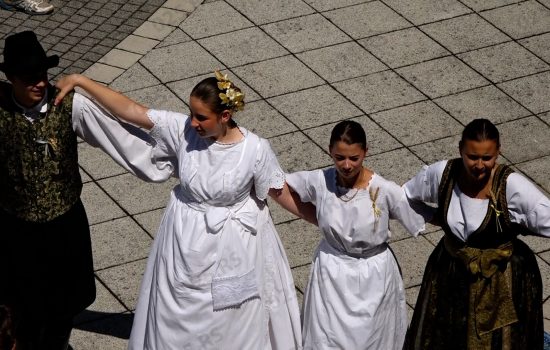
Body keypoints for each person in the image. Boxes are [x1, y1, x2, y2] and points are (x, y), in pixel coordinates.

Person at [54, 70, 317, 350]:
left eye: (201, 117)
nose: (193, 122)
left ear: (225, 116)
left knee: (228, 317)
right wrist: (81, 81)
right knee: (177, 308)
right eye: (191, 113)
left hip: (233, 246)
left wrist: (326, 221)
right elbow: (132, 111)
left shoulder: (255, 149)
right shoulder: (184, 131)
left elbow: (281, 193)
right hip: (184, 239)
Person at [403, 118, 550, 349]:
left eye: (486, 158)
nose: (479, 165)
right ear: (460, 149)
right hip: (451, 271)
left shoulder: (512, 187)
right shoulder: (443, 174)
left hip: (501, 277)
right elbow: (405, 197)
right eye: (472, 157)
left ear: (498, 153)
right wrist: (436, 218)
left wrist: (520, 226)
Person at [284, 120, 426, 349]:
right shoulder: (321, 180)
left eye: (354, 158)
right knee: (327, 335)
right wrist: (315, 217)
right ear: (330, 152)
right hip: (332, 269)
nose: (347, 165)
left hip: (373, 273)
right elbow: (279, 185)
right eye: (339, 158)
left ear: (365, 152)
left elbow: (419, 217)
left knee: (373, 336)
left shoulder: (385, 190)